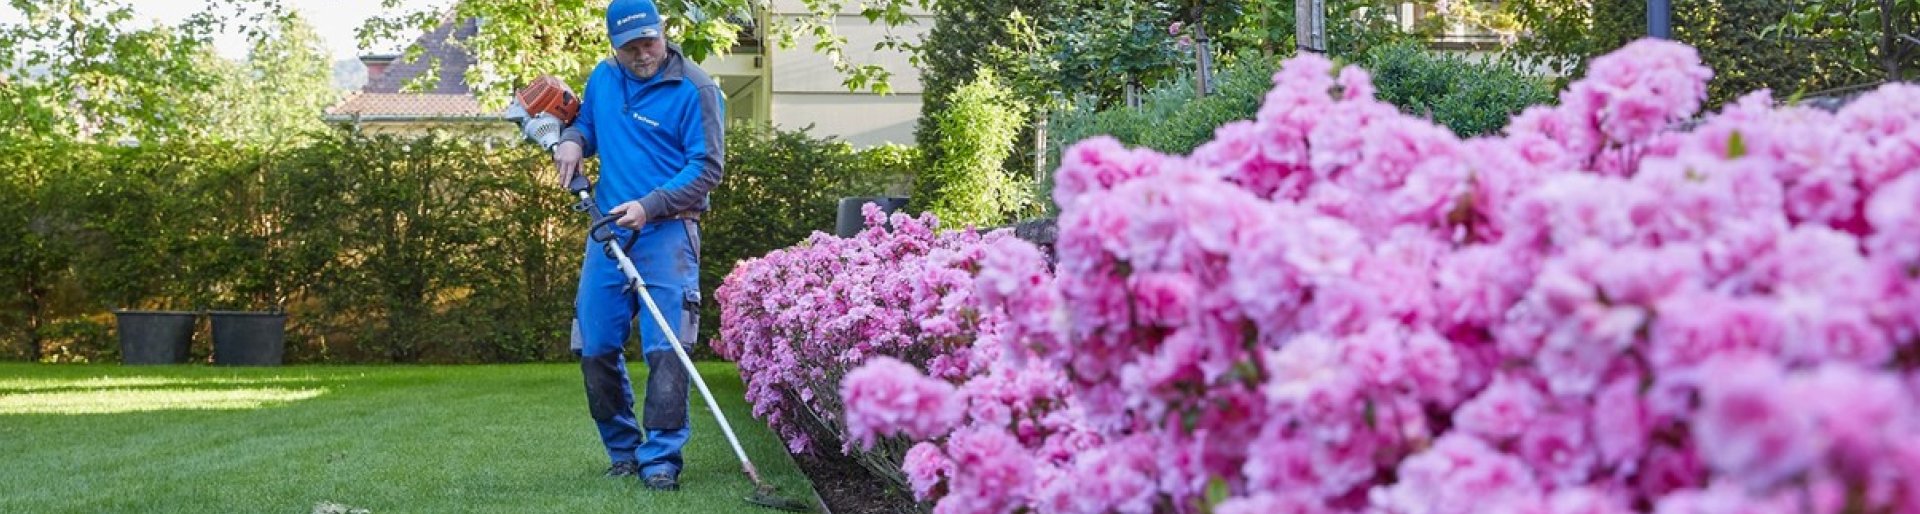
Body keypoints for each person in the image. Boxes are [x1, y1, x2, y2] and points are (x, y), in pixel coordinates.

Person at [551, 0, 725, 492]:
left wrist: (651, 205)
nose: (641, 53)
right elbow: (587, 126)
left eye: (648, 41)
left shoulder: (696, 88)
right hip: (608, 233)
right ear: (613, 45)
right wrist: (571, 139)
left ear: (663, 32)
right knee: (596, 345)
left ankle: (661, 458)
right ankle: (623, 451)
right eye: (629, 46)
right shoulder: (604, 79)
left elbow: (708, 168)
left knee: (667, 348)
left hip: (668, 231)